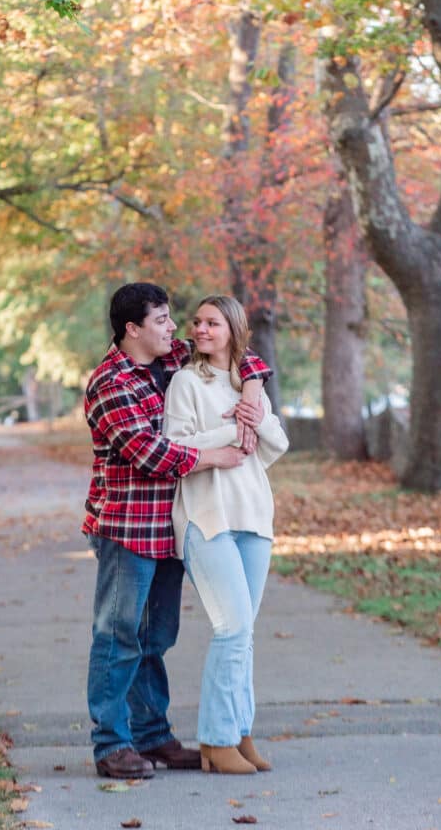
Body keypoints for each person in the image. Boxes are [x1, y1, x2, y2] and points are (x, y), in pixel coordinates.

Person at [82, 282, 271, 780]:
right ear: (132, 329)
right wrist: (219, 453)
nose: (176, 328)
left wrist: (252, 386)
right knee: (118, 635)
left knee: (156, 637)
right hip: (126, 528)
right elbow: (150, 452)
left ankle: (153, 736)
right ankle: (111, 744)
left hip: (170, 524)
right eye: (163, 320)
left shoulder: (170, 359)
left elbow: (236, 351)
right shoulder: (109, 382)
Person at [163, 295, 288, 775]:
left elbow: (275, 446)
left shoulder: (247, 384)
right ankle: (215, 741)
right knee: (231, 628)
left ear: (234, 329)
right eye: (197, 322)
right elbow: (174, 445)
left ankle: (240, 732)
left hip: (253, 516)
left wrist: (256, 418)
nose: (200, 329)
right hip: (205, 517)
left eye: (212, 323)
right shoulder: (186, 382)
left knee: (246, 634)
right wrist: (228, 433)